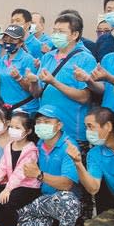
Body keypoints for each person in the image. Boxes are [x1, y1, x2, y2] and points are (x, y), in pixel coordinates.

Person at [16, 104, 81, 226]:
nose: (41, 125)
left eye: (46, 121)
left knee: (67, 200)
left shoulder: (69, 146)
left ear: (59, 125)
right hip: (44, 199)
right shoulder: (39, 143)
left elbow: (67, 184)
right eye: (38, 122)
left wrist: (39, 175)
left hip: (65, 200)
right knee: (11, 216)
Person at [26, 14, 97, 143]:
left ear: (75, 35)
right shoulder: (48, 57)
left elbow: (85, 97)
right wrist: (34, 82)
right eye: (54, 31)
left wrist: (54, 82)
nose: (56, 34)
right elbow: (37, 93)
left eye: (61, 31)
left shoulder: (85, 58)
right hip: (47, 127)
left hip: (71, 130)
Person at [0, 25, 39, 114]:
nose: (8, 42)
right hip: (7, 107)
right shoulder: (3, 59)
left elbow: (31, 89)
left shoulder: (28, 59)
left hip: (25, 109)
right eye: (5, 39)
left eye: (12, 40)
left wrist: (19, 78)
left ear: (20, 42)